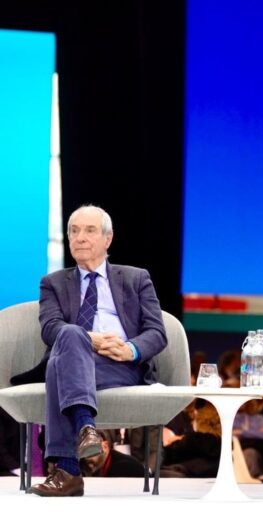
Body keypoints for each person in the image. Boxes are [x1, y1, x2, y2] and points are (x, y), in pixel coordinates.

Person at [29, 205, 167, 496]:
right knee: (68, 336)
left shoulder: (136, 278)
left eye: (89, 230)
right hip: (73, 357)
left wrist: (131, 350)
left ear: (108, 239)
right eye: (74, 231)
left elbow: (157, 332)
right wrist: (88, 339)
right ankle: (85, 427)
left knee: (58, 367)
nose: (79, 238)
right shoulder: (52, 283)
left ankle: (67, 470)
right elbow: (50, 329)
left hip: (120, 366)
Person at [80, 430, 145, 477]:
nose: (86, 458)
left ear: (105, 446)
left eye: (91, 451)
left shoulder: (126, 467)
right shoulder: (84, 465)